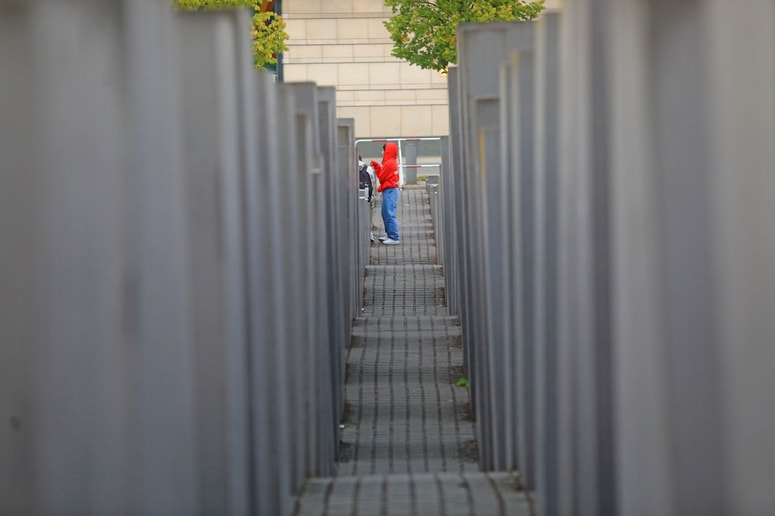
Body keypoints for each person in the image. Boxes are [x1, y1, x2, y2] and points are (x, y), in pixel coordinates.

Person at [371, 142, 400, 245]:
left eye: (383, 150)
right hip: (390, 190)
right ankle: (390, 234)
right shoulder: (391, 162)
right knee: (386, 213)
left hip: (390, 190)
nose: (382, 152)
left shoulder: (389, 163)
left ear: (387, 151)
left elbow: (382, 177)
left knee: (389, 214)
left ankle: (394, 237)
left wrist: (376, 166)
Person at [358, 155, 376, 243]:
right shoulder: (367, 168)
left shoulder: (347, 166)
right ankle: (369, 234)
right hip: (365, 195)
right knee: (366, 216)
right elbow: (372, 182)